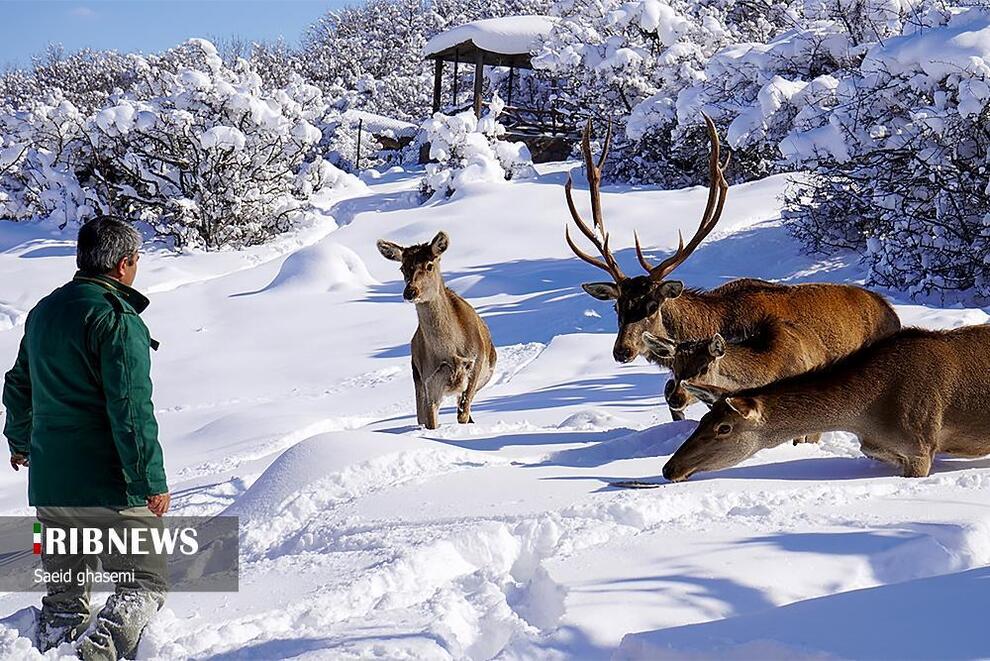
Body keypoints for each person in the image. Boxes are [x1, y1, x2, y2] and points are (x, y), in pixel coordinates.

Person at [2, 215, 170, 660]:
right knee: (143, 583)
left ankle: (54, 649)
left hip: (52, 487)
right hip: (108, 484)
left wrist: (19, 441)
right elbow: (131, 409)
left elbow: (18, 385)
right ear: (123, 265)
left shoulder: (43, 312)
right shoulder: (117, 318)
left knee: (63, 599)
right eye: (136, 261)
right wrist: (149, 481)